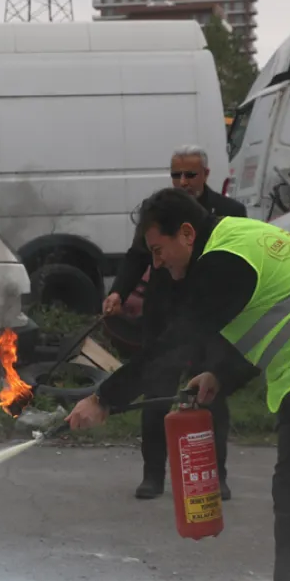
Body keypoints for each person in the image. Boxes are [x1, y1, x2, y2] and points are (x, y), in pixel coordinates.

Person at [68, 187, 290, 581]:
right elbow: (278, 312)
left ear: (186, 234)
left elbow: (173, 344)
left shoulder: (221, 261)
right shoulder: (242, 239)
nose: (158, 264)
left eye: (158, 250)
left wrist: (104, 399)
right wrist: (221, 375)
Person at [103, 145, 247, 502]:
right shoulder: (159, 215)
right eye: (176, 175)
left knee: (209, 394)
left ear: (206, 176)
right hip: (164, 315)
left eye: (190, 175)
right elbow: (137, 258)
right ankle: (153, 475)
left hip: (209, 320)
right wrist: (118, 292)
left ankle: (217, 476)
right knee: (156, 393)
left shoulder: (230, 213)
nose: (182, 182)